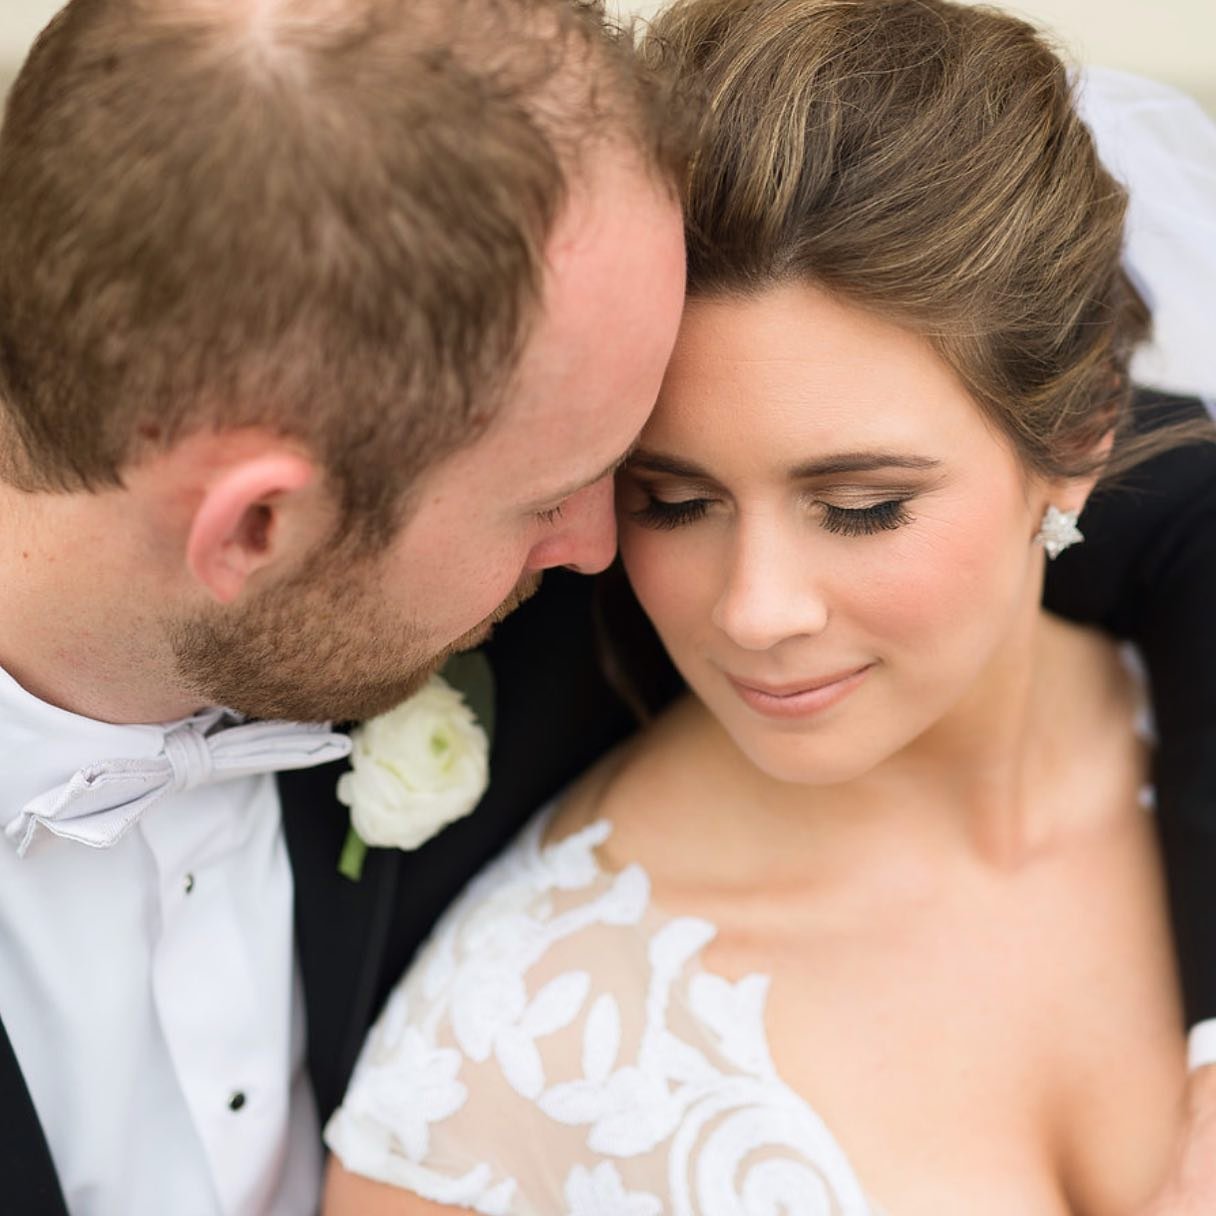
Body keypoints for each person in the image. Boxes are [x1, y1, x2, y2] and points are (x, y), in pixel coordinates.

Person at [1, 2, 1214, 1215]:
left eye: (858, 507)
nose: (597, 548)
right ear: (255, 531)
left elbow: (1162, 503)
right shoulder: (520, 1013)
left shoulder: (579, 573)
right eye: (658, 496)